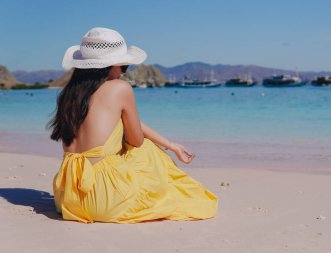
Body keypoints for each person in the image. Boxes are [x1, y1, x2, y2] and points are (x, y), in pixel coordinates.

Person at [48, 27, 218, 223]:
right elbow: (136, 140)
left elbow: (120, 121)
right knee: (146, 149)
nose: (123, 73)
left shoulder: (69, 95)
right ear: (108, 66)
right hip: (103, 200)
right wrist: (165, 148)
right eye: (123, 66)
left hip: (68, 197)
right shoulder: (120, 89)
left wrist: (171, 145)